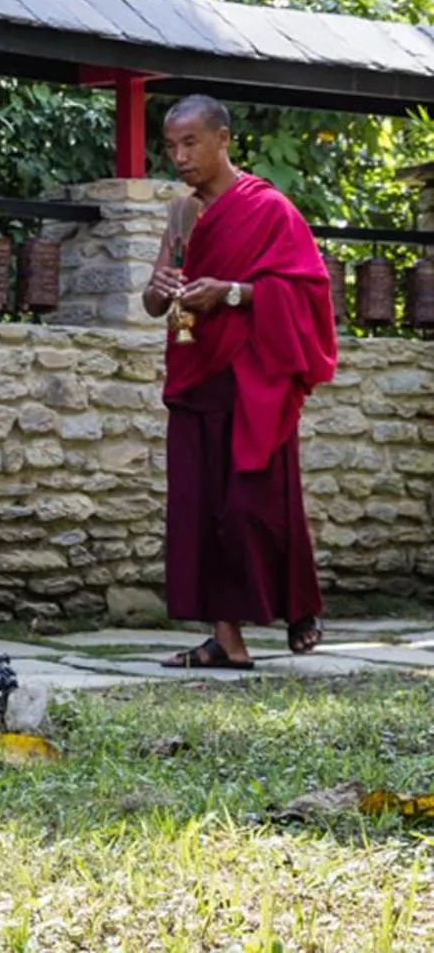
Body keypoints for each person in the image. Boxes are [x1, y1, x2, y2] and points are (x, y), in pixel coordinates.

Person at [142, 95, 336, 670]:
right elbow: (157, 300)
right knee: (201, 509)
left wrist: (230, 291)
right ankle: (225, 639)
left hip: (253, 379)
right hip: (195, 373)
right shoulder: (180, 212)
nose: (179, 157)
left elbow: (308, 291)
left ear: (223, 139)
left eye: (190, 143)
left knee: (254, 507)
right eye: (171, 146)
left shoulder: (269, 209)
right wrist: (157, 290)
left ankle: (298, 604)